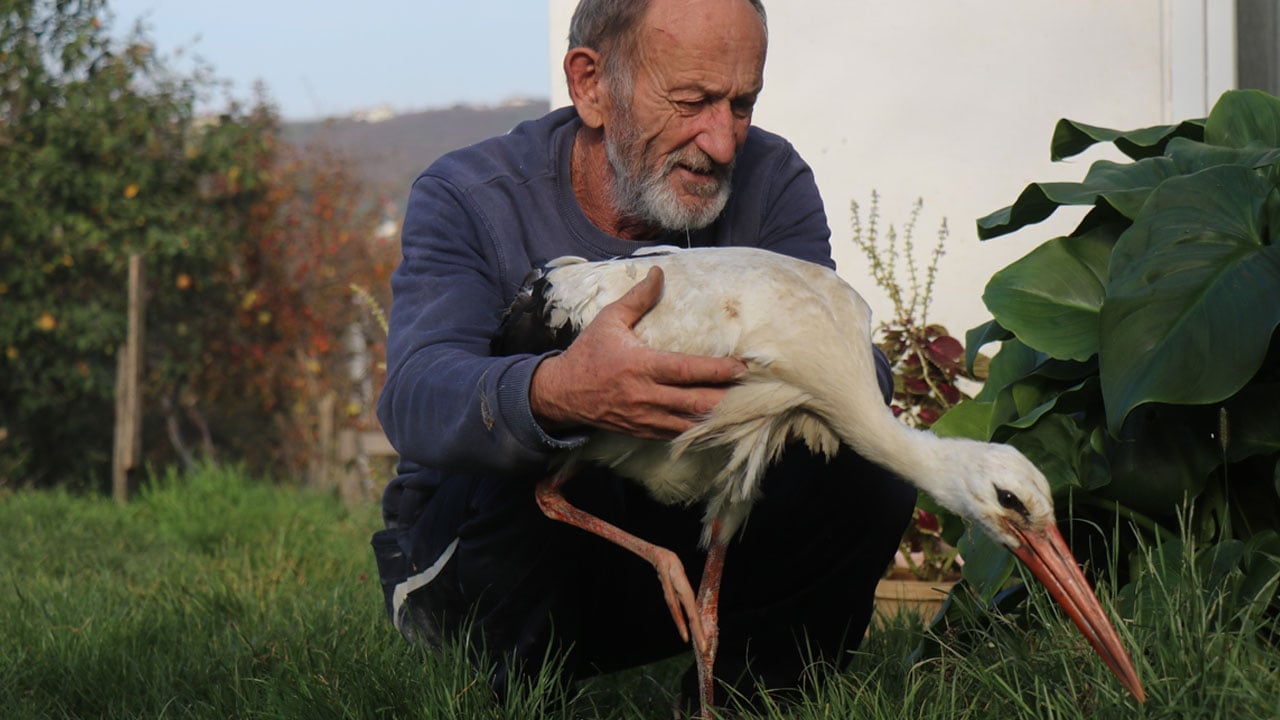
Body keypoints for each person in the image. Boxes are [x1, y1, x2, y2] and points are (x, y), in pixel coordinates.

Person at [372, 0, 917, 709]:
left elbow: (843, 368)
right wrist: (560, 393)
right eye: (690, 102)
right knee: (550, 450)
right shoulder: (470, 197)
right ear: (591, 85)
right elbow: (416, 396)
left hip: (688, 538)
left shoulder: (771, 180)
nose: (723, 143)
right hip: (488, 558)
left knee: (865, 466)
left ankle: (749, 702)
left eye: (742, 104)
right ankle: (505, 692)